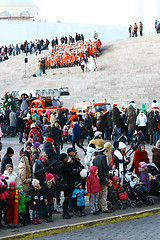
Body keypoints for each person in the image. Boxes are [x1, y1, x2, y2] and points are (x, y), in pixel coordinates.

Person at [93, 147, 113, 213]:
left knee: (99, 194)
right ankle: (104, 208)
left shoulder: (95, 158)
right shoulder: (103, 157)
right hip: (104, 177)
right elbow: (105, 166)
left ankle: (98, 207)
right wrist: (110, 168)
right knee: (104, 194)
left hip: (97, 178)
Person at [59, 153, 73, 219]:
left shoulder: (63, 164)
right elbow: (68, 170)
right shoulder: (62, 165)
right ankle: (65, 212)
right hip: (66, 184)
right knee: (66, 198)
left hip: (68, 183)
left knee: (67, 198)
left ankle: (65, 212)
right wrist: (69, 163)